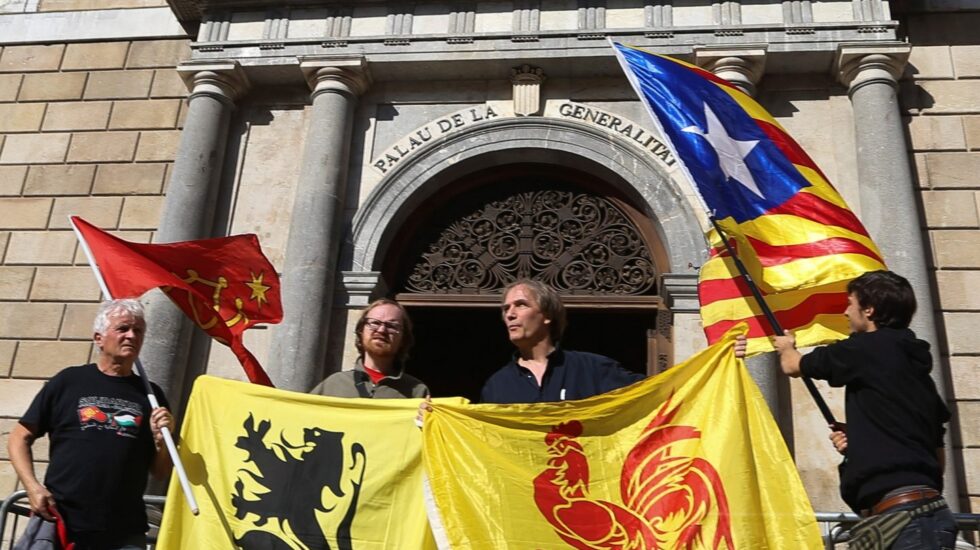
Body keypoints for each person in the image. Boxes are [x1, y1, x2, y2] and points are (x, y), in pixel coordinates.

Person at [772, 270, 956, 548]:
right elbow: (936, 455)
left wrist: (786, 346)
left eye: (850, 303)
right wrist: (862, 443)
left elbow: (793, 365)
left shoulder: (865, 349)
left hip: (904, 523)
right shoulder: (917, 372)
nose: (846, 312)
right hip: (922, 515)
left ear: (868, 310)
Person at [8, 299, 174, 549]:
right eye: (123, 328)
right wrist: (32, 488)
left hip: (124, 531)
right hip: (63, 523)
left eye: (138, 330)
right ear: (99, 338)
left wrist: (163, 441)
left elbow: (160, 471)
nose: (132, 335)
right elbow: (18, 437)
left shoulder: (151, 394)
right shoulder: (68, 382)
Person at [480, 279, 645, 403]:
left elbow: (652, 394)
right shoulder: (496, 386)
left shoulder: (592, 369)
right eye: (505, 308)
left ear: (547, 315)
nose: (510, 314)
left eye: (521, 305)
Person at [311, 298, 428, 399]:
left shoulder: (417, 392)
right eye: (374, 323)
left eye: (392, 325)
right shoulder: (333, 385)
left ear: (403, 338)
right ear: (361, 331)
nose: (381, 330)